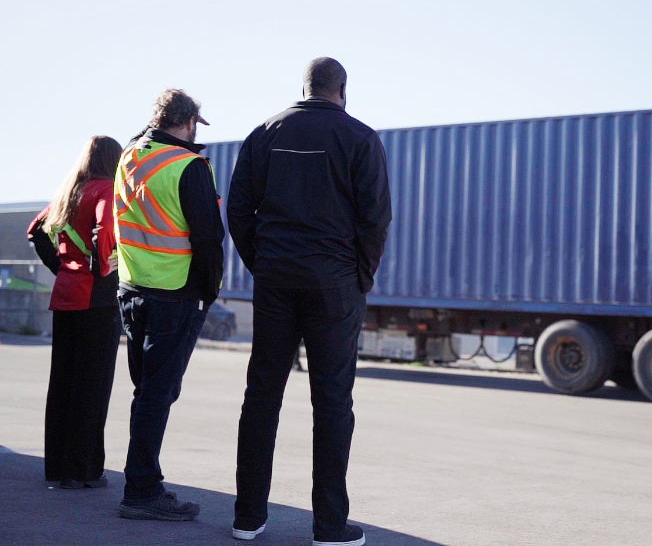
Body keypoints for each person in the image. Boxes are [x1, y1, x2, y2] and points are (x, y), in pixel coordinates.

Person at [228, 57, 391, 545]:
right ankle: (329, 527)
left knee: (262, 397)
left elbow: (238, 209)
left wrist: (264, 262)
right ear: (343, 89)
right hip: (334, 283)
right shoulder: (360, 138)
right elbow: (376, 218)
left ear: (304, 87)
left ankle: (248, 518)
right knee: (333, 402)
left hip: (277, 278)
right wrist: (358, 276)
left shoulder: (263, 133)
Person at [114, 89, 225, 521]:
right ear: (191, 121)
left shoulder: (130, 157)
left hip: (132, 288)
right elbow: (208, 239)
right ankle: (141, 489)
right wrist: (209, 291)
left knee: (147, 393)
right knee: (158, 393)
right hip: (174, 294)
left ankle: (140, 481)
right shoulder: (188, 167)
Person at [26, 136, 123, 489]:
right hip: (95, 301)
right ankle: (85, 470)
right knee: (92, 388)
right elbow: (105, 231)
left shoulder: (70, 191)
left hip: (65, 296)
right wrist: (101, 269)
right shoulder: (105, 189)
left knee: (63, 384)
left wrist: (63, 267)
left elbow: (35, 230)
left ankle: (58, 468)